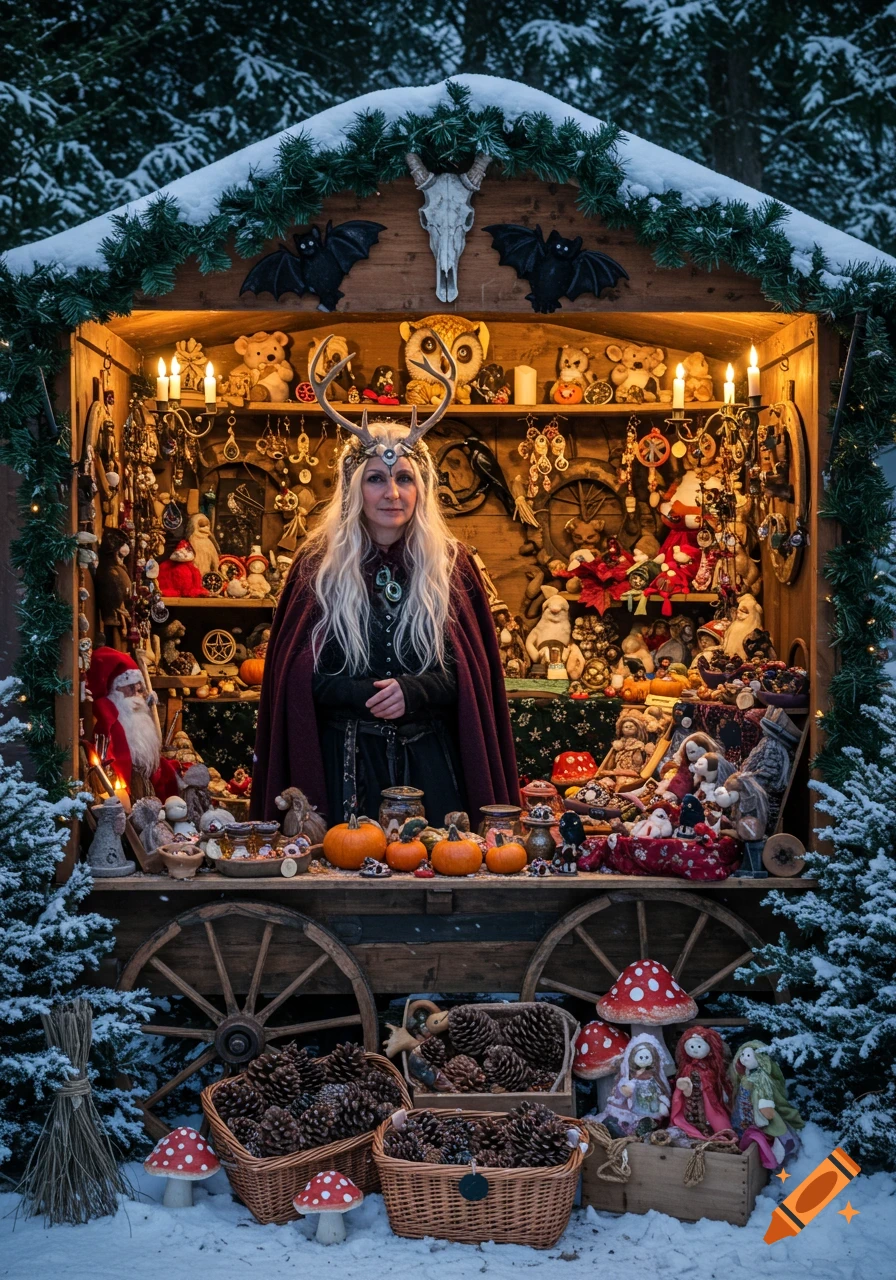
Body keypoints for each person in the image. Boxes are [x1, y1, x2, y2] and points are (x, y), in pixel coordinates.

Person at [251, 339, 519, 826]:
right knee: (340, 864)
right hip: (343, 765)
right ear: (354, 488)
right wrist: (363, 694)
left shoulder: (452, 564)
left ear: (423, 488)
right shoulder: (317, 564)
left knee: (439, 862)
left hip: (433, 765)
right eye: (376, 478)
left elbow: (472, 676)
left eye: (405, 479)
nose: (392, 493)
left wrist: (415, 691)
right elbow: (296, 677)